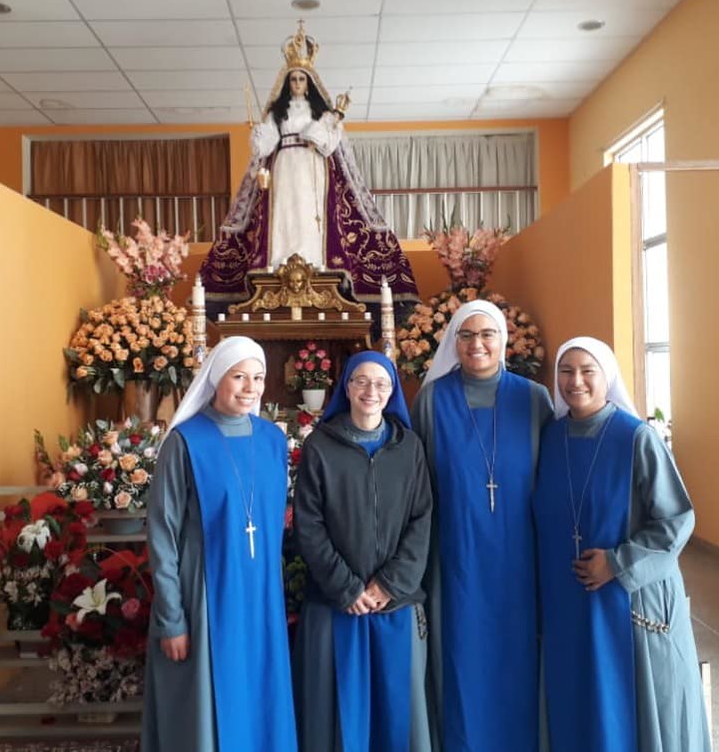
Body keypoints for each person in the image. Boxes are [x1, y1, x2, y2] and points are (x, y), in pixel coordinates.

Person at [533, 337, 710, 752]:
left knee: (630, 709)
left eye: (587, 371)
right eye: (566, 371)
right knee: (576, 696)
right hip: (568, 600)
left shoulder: (636, 438)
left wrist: (617, 563)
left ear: (607, 376)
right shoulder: (550, 438)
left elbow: (676, 518)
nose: (575, 381)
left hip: (626, 596)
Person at [411, 299, 553, 752]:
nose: (477, 345)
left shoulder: (533, 399)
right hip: (455, 559)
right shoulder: (433, 400)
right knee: (462, 660)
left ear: (504, 342)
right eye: (467, 336)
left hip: (520, 560)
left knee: (518, 660)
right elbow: (416, 485)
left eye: (487, 334)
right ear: (454, 342)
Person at [142, 336, 297, 752]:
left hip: (260, 596)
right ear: (215, 379)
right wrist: (173, 619)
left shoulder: (272, 440)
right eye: (239, 376)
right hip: (204, 595)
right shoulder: (185, 442)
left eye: (259, 377)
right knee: (209, 707)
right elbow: (162, 531)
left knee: (259, 694)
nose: (250, 387)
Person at [201, 21, 419, 308]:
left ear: (310, 83)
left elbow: (328, 145)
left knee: (309, 212)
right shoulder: (278, 113)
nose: (297, 85)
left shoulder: (322, 114)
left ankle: (313, 262)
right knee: (285, 211)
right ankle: (280, 261)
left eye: (302, 80)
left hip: (313, 168)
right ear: (286, 83)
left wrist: (327, 126)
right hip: (284, 165)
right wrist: (259, 135)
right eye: (293, 80)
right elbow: (265, 146)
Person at [293, 350, 433, 752]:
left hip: (396, 604)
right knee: (339, 720)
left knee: (397, 717)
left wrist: (389, 584)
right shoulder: (321, 446)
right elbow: (309, 523)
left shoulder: (410, 448)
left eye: (381, 383)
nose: (371, 391)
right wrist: (347, 588)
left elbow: (421, 520)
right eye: (362, 381)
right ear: (347, 387)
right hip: (338, 605)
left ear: (392, 392)